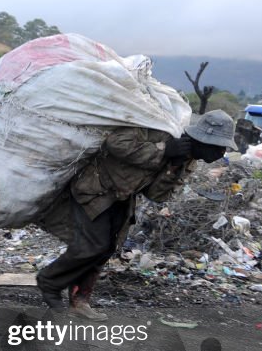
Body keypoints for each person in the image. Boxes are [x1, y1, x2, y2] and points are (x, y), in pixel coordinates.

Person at [36, 110, 238, 319]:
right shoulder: (162, 134)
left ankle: (80, 301)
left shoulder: (187, 161)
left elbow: (156, 195)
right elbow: (115, 143)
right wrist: (162, 151)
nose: (221, 153)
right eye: (219, 147)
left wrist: (173, 166)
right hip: (96, 187)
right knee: (93, 245)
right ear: (204, 141)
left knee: (106, 249)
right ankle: (49, 283)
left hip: (123, 197)